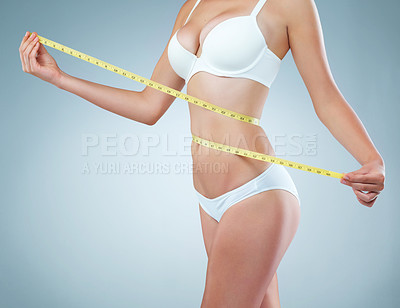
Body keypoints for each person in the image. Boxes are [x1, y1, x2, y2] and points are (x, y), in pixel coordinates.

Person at [19, 0, 385, 307]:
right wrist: (60, 78)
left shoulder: (286, 4)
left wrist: (371, 158)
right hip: (209, 200)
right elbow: (149, 105)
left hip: (255, 193)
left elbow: (325, 97)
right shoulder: (191, 5)